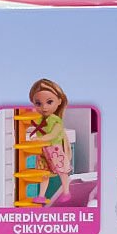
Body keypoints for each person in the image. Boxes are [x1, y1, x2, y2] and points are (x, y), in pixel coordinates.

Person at [25, 78, 72, 206]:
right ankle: (41, 195)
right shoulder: (40, 119)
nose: (44, 107)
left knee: (62, 171)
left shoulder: (56, 120)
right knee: (43, 174)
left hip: (54, 149)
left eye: (49, 102)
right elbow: (35, 127)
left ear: (59, 101)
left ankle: (66, 191)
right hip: (42, 150)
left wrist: (40, 139)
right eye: (38, 103)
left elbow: (52, 134)